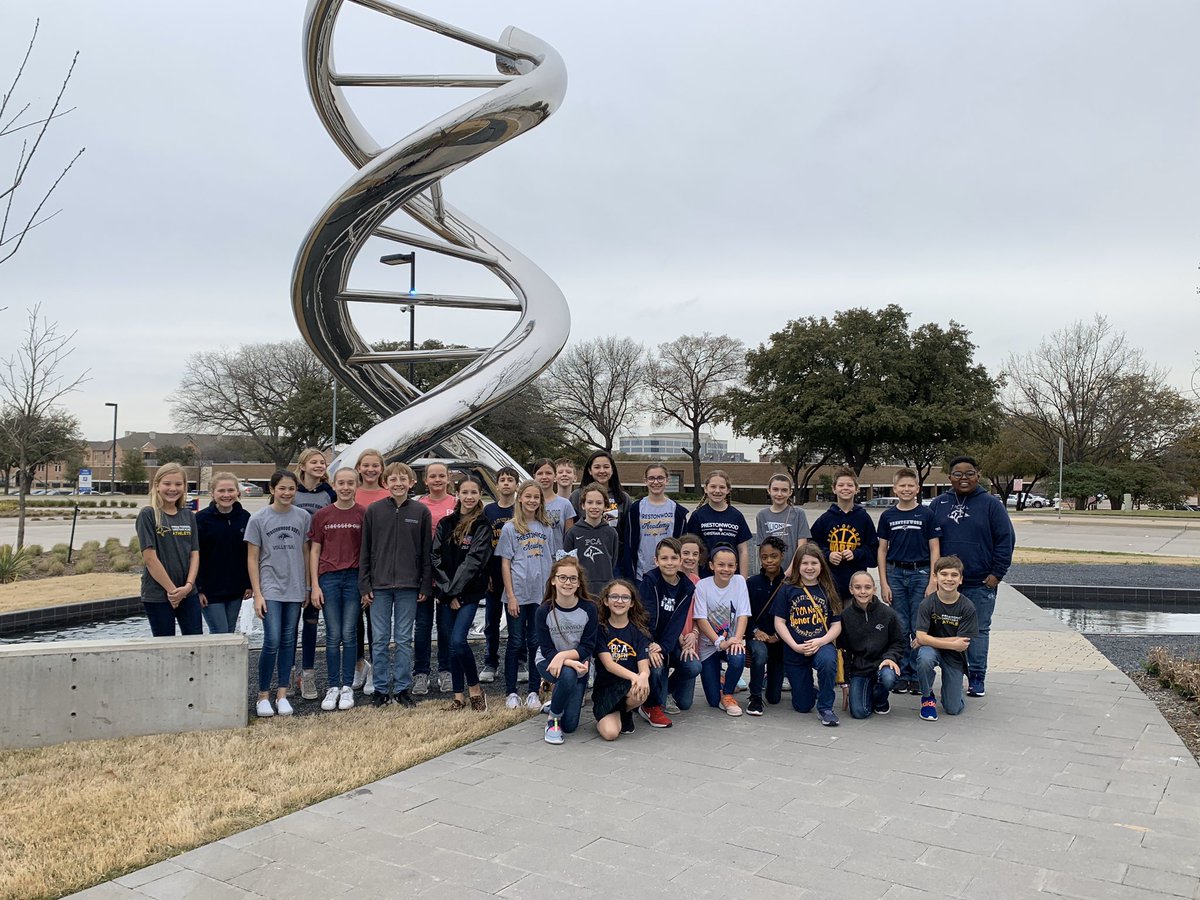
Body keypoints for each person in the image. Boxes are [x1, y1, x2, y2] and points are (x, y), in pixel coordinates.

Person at [927, 456, 1015, 698]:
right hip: (945, 584)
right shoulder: (938, 504)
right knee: (940, 629)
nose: (963, 478)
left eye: (969, 473)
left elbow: (1005, 540)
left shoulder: (991, 504)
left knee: (977, 631)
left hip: (979, 582)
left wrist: (996, 574)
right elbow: (929, 542)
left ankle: (976, 676)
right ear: (949, 477)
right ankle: (938, 674)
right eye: (957, 473)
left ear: (978, 475)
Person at [359, 462, 432, 707]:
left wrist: (424, 585)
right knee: (379, 639)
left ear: (412, 482)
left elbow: (425, 551)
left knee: (402, 639)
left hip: (409, 586)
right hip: (378, 586)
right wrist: (365, 583)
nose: (398, 484)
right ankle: (380, 689)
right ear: (385, 483)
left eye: (403, 479)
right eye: (393, 480)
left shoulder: (420, 511)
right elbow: (365, 550)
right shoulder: (374, 511)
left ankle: (402, 688)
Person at [247, 470, 312, 717]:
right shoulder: (259, 519)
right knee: (272, 640)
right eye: (282, 488)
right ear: (272, 490)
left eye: (291, 489)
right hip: (270, 587)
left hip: (295, 588)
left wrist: (306, 586)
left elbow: (306, 553)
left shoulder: (303, 517)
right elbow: (252, 558)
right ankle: (263, 695)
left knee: (288, 641)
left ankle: (282, 693)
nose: (286, 493)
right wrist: (257, 593)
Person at [877, 467, 941, 695]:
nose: (906, 489)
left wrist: (934, 579)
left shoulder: (926, 515)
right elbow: (882, 550)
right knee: (900, 625)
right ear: (895, 489)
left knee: (918, 625)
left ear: (917, 488)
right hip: (895, 573)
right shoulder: (888, 516)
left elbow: (935, 548)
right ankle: (902, 674)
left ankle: (917, 674)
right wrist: (883, 582)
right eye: (901, 486)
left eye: (910, 486)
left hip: (920, 573)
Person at [432, 476, 493, 712]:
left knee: (459, 641)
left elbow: (474, 561)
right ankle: (459, 696)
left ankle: (476, 689)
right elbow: (435, 556)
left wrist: (454, 591)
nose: (469, 497)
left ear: (479, 495)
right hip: (446, 594)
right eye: (464, 492)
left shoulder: (482, 525)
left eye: (473, 492)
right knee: (449, 644)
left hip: (468, 593)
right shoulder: (446, 523)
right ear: (457, 494)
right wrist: (447, 592)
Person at [498, 479, 560, 710]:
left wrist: (552, 593)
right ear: (520, 498)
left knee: (536, 643)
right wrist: (511, 596)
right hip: (517, 595)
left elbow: (553, 560)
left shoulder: (546, 527)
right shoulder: (510, 527)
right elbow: (505, 564)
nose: (532, 501)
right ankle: (511, 692)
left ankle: (533, 690)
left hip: (541, 596)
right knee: (515, 643)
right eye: (528, 496)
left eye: (537, 497)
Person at [307, 466, 364, 712]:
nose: (345, 487)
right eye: (341, 483)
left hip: (353, 578)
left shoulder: (364, 514)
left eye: (350, 483)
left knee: (349, 633)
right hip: (328, 578)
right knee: (332, 635)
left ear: (356, 486)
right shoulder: (322, 515)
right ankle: (333, 686)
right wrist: (314, 586)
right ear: (334, 484)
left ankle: (347, 687)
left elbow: (368, 552)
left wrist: (365, 585)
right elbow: (315, 550)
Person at [774, 543, 843, 726]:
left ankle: (826, 707)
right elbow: (779, 623)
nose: (810, 568)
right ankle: (808, 690)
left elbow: (836, 625)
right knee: (803, 706)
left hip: (821, 644)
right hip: (795, 649)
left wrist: (821, 641)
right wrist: (794, 645)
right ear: (797, 566)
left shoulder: (828, 589)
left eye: (814, 563)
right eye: (805, 563)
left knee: (828, 661)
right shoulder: (787, 589)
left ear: (821, 565)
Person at [535, 555, 598, 744]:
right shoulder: (544, 611)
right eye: (562, 577)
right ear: (553, 580)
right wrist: (566, 661)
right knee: (568, 674)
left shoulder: (589, 609)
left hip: (579, 663)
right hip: (548, 661)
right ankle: (552, 721)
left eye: (572, 578)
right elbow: (545, 649)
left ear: (579, 583)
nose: (567, 582)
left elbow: (588, 646)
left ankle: (556, 701)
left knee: (570, 725)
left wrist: (564, 657)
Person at [136, 462, 201, 637]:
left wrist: (188, 587)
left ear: (184, 487)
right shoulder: (148, 514)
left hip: (188, 593)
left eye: (178, 484)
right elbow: (150, 559)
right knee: (165, 648)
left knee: (195, 644)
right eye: (167, 484)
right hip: (158, 594)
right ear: (157, 486)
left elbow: (195, 553)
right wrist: (173, 592)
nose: (173, 489)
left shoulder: (188, 516)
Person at [639, 537, 701, 723]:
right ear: (656, 561)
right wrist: (650, 645)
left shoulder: (687, 587)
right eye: (664, 559)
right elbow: (643, 619)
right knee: (657, 668)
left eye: (674, 558)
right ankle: (650, 705)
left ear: (680, 560)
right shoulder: (650, 582)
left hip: (668, 642)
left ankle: (665, 691)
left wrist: (663, 647)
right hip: (647, 640)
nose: (669, 563)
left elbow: (677, 623)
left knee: (693, 666)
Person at [293, 448, 337, 702]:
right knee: (287, 626)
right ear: (303, 465)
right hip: (290, 562)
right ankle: (287, 671)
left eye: (322, 462)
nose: (319, 465)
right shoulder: (291, 489)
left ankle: (307, 672)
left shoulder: (328, 493)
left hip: (318, 560)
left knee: (311, 619)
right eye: (314, 462)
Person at [914, 555, 979, 721]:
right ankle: (927, 698)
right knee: (925, 657)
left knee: (953, 709)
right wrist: (952, 642)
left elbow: (963, 643)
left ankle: (951, 692)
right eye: (944, 574)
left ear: (961, 579)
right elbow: (920, 636)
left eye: (954, 575)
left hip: (954, 656)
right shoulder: (927, 604)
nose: (949, 579)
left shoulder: (967, 606)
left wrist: (926, 639)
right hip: (934, 651)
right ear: (935, 576)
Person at [692, 545, 750, 717]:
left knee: (738, 656)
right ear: (711, 566)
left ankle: (728, 693)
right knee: (712, 700)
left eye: (731, 565)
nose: (726, 569)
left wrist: (738, 639)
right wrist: (720, 643)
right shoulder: (703, 585)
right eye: (721, 565)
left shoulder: (739, 582)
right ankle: (722, 680)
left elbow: (743, 615)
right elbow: (701, 619)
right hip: (709, 645)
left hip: (731, 640)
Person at [839, 571, 906, 719]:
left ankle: (881, 701)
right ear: (851, 590)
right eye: (858, 587)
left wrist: (890, 657)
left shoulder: (888, 613)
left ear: (874, 589)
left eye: (867, 587)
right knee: (859, 712)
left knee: (888, 677)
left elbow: (899, 641)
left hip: (883, 664)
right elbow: (844, 650)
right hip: (860, 669)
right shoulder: (845, 616)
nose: (863, 591)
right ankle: (868, 692)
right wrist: (845, 681)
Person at [416, 462, 457, 695]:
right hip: (424, 575)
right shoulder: (419, 505)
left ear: (448, 478)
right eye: (433, 476)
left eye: (442, 475)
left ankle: (446, 671)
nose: (438, 480)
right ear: (426, 480)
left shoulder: (456, 504)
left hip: (447, 577)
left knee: (445, 627)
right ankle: (421, 673)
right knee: (422, 627)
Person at [593, 579, 652, 740]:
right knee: (610, 734)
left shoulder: (638, 631)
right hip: (606, 689)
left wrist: (644, 676)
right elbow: (609, 664)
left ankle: (625, 712)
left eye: (625, 597)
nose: (620, 601)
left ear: (632, 603)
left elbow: (643, 664)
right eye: (614, 597)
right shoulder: (600, 629)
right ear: (606, 601)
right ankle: (615, 715)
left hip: (628, 687)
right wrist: (635, 677)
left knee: (642, 689)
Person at [809, 467, 878, 601]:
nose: (845, 488)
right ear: (834, 489)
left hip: (857, 587)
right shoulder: (825, 519)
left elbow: (873, 551)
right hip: (830, 585)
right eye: (841, 485)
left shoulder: (864, 518)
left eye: (849, 485)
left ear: (856, 489)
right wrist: (828, 554)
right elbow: (812, 545)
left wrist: (856, 554)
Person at [194, 472, 251, 635]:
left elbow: (249, 553)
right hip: (210, 590)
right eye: (221, 491)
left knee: (230, 631)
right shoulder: (201, 519)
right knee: (220, 632)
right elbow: (195, 555)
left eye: (230, 490)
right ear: (213, 493)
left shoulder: (245, 518)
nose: (226, 495)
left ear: (237, 492)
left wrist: (249, 584)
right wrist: (198, 589)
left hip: (235, 588)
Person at [352, 448, 389, 694]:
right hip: (350, 567)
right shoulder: (350, 492)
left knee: (376, 624)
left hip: (379, 568)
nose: (370, 470)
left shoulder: (388, 495)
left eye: (375, 465)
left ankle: (377, 669)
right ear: (359, 468)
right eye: (366, 465)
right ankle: (359, 665)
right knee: (353, 624)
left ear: (381, 469)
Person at [479, 466, 519, 683]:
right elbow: (484, 545)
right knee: (491, 621)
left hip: (516, 575)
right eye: (502, 479)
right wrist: (486, 575)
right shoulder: (489, 511)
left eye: (510, 480)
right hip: (494, 574)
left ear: (516, 485)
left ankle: (519, 661)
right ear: (496, 484)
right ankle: (490, 662)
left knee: (516, 621)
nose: (506, 483)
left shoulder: (519, 510)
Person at [744, 537, 790, 716]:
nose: (769, 561)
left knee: (774, 698)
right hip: (756, 636)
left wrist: (778, 635)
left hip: (779, 639)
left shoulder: (788, 583)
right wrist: (756, 631)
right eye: (764, 557)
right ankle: (755, 696)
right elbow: (744, 613)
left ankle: (769, 683)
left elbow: (793, 614)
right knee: (760, 653)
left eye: (774, 556)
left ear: (782, 556)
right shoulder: (751, 583)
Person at [619, 463, 688, 581]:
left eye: (660, 478)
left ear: (667, 480)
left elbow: (681, 545)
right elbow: (629, 545)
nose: (656, 482)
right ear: (645, 481)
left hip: (669, 574)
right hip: (642, 575)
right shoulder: (636, 509)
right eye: (651, 478)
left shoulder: (678, 511)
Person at [684, 470, 752, 576]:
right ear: (706, 489)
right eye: (713, 487)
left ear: (728, 490)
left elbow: (743, 551)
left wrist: (743, 579)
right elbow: (693, 550)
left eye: (722, 487)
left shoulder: (737, 516)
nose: (717, 491)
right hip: (705, 576)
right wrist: (695, 579)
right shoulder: (698, 516)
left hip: (730, 575)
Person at [563, 483, 618, 588]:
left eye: (599, 503)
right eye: (590, 502)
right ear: (583, 505)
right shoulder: (573, 533)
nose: (594, 507)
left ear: (606, 506)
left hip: (605, 587)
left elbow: (613, 561)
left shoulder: (611, 533)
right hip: (580, 587)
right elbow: (567, 563)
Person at [754, 473, 810, 573]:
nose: (779, 494)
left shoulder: (798, 514)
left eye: (784, 490)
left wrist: (791, 570)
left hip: (794, 571)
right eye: (775, 489)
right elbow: (761, 548)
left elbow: (802, 546)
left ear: (790, 492)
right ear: (769, 491)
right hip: (771, 572)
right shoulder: (762, 515)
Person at [568, 450, 632, 530]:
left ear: (612, 470)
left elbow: (628, 531)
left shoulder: (623, 498)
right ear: (590, 470)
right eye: (597, 467)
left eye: (606, 467)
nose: (602, 471)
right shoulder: (577, 495)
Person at [534, 458, 577, 542]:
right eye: (540, 473)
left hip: (558, 554)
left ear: (554, 476)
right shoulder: (530, 503)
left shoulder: (565, 504)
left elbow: (570, 539)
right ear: (534, 477)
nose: (544, 477)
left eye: (549, 473)